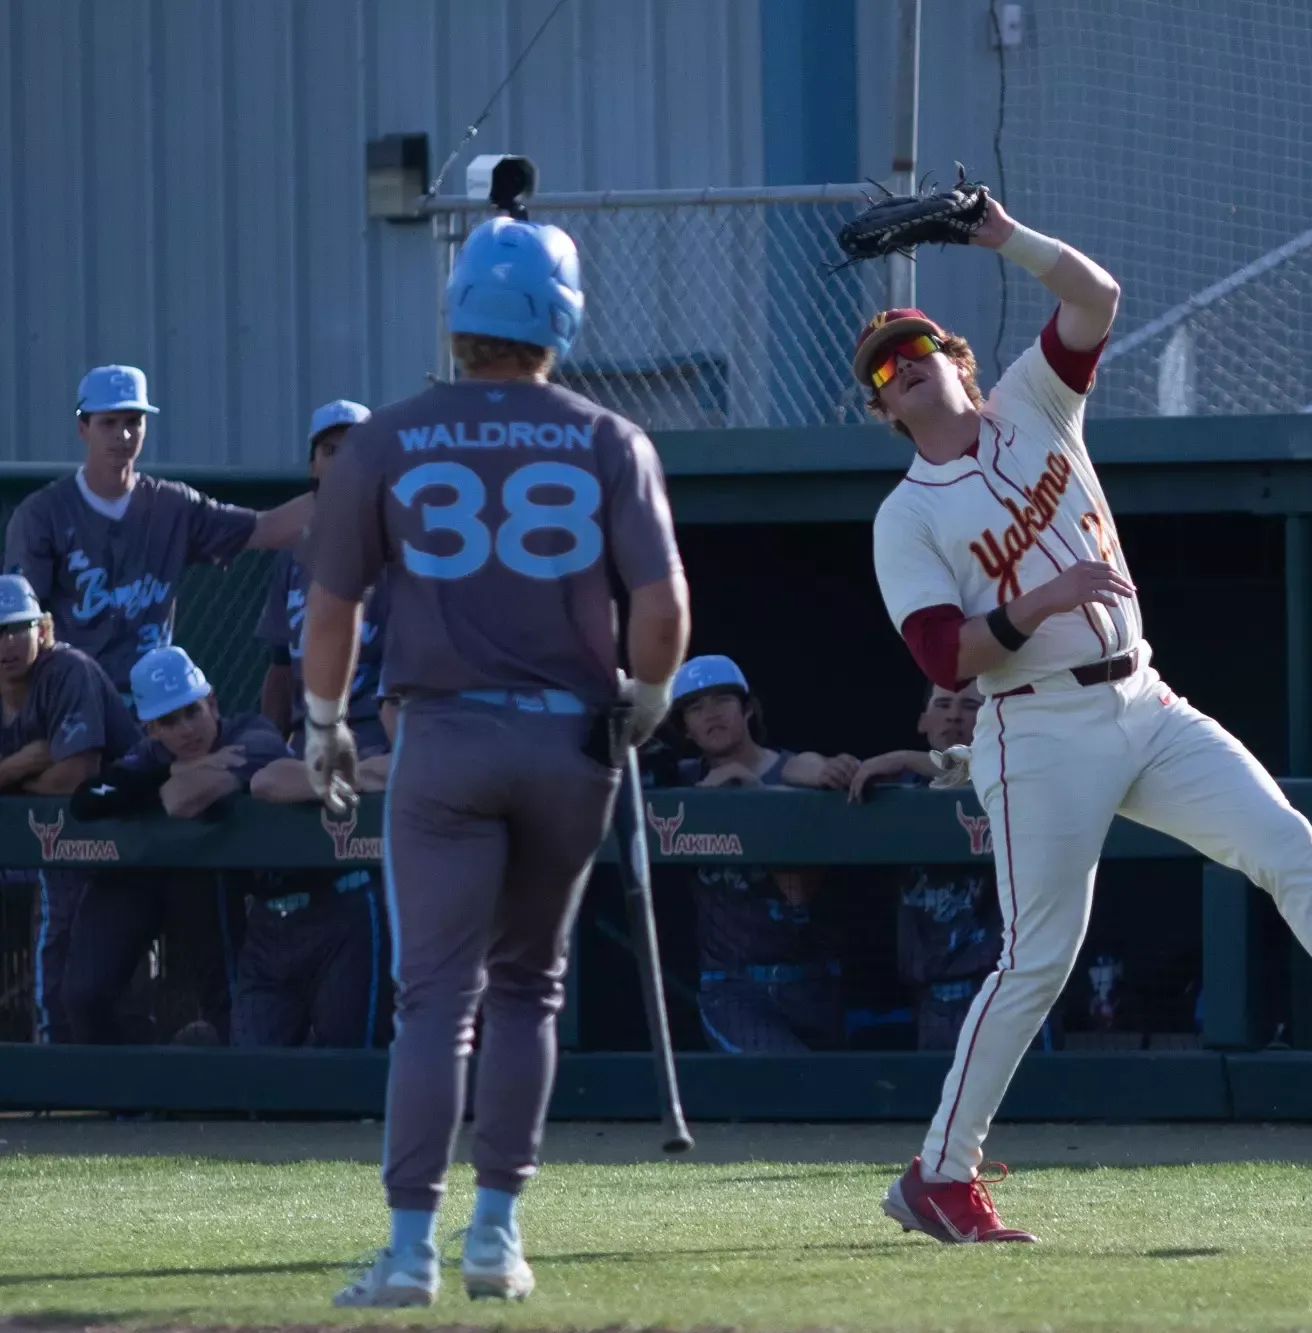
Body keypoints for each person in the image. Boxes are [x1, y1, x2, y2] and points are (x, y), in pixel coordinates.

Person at [861, 191, 1312, 1244]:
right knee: (1038, 958)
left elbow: (1096, 295)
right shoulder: (906, 515)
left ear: (959, 359)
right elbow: (943, 656)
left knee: (1286, 842)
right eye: (883, 367)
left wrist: (998, 235)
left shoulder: (1030, 404)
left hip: (1142, 696)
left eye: (918, 344)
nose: (905, 362)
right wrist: (1038, 601)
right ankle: (936, 1172)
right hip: (1034, 729)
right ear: (879, 410)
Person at [302, 214, 688, 1307]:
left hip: (445, 740)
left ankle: (410, 1250)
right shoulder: (610, 437)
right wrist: (650, 695)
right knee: (529, 987)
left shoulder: (387, 438)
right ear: (559, 319)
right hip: (571, 741)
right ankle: (496, 1236)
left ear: (457, 314)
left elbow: (332, 605)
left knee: (435, 999)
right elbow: (661, 605)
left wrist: (323, 721)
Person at [5, 365, 316, 695]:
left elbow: (263, 528)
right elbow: (17, 622)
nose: (122, 435)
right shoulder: (44, 514)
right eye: (108, 423)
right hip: (74, 697)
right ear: (84, 427)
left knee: (248, 742)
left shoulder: (171, 505)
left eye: (133, 422)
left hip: (156, 696)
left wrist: (345, 490)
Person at [66, 647, 289, 1044]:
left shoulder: (253, 733)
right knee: (85, 995)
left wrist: (164, 781)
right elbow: (88, 799)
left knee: (229, 995)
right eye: (169, 721)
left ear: (213, 704)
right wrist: (173, 770)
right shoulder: (155, 754)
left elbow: (182, 801)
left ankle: (236, 1100)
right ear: (152, 730)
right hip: (155, 873)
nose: (187, 729)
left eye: (193, 711)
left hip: (258, 894)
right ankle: (140, 1096)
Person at [660, 654, 846, 1053]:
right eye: (695, 707)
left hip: (810, 979)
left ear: (746, 709)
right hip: (732, 986)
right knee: (789, 1082)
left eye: (721, 700)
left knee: (831, 1098)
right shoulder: (680, 779)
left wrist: (756, 798)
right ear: (686, 728)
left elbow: (799, 896)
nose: (710, 714)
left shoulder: (792, 769)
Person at [0, 575, 143, 1043]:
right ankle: (54, 1078)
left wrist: (14, 779)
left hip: (128, 841)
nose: (6, 643)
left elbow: (75, 776)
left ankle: (135, 1098)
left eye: (15, 628)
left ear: (42, 629)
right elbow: (52, 770)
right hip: (56, 845)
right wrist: (31, 760)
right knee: (56, 949)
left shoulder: (68, 670)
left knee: (112, 973)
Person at [851, 682, 1008, 1051]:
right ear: (923, 720)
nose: (954, 714)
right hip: (930, 1004)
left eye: (970, 704)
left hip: (1002, 998)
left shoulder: (1010, 769)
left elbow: (980, 769)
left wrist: (905, 757)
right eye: (943, 704)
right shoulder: (893, 784)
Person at [236, 704, 395, 1052]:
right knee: (254, 1065)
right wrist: (355, 778)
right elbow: (268, 781)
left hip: (347, 908)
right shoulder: (270, 736)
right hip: (274, 921)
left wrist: (332, 780)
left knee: (350, 1053)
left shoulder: (384, 738)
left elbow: (401, 770)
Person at [259, 400, 390, 752]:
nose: (342, 461)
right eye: (331, 451)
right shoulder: (291, 554)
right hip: (309, 736)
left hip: (374, 734)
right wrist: (272, 746)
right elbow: (281, 668)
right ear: (313, 466)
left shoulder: (397, 548)